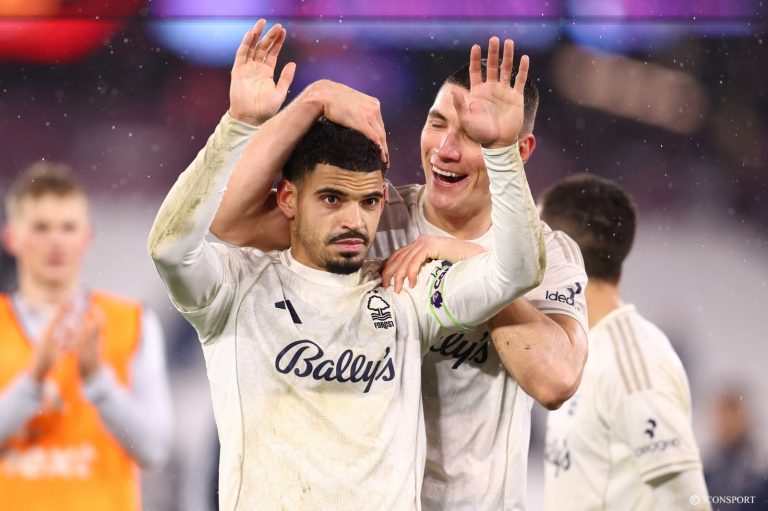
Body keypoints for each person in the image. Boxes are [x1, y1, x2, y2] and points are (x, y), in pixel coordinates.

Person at [148, 20, 544, 510]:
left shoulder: (407, 293)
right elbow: (170, 247)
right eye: (332, 199)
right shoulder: (236, 287)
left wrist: (501, 153)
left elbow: (518, 271)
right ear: (288, 199)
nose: (355, 221)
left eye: (370, 202)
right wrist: (238, 125)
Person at [0, 162, 173, 510]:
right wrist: (33, 379)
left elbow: (154, 450)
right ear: (12, 238)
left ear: (87, 236)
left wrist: (97, 380)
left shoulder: (132, 322)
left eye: (68, 227)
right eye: (41, 227)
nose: (56, 241)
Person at [539, 174, 711, 510]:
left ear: (558, 254)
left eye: (533, 239)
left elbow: (688, 501)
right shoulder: (581, 349)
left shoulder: (635, 362)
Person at [705, 387, 768, 510]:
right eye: (723, 417)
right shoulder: (709, 469)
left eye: (732, 417)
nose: (727, 424)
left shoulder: (760, 468)